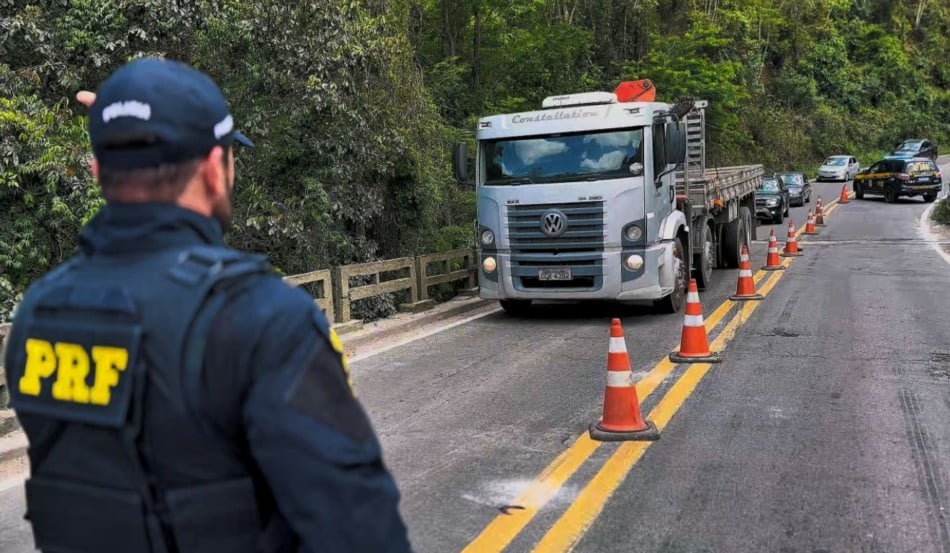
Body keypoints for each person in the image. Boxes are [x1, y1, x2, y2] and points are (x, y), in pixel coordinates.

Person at [3, 58, 412, 552]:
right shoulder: (264, 320)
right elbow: (362, 535)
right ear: (216, 171)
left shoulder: (39, 314)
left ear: (96, 171)